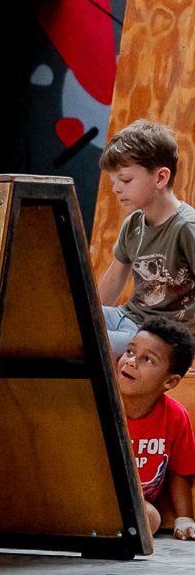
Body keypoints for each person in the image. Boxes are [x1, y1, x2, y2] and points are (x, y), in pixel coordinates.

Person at [97, 120, 195, 357]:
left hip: (161, 337)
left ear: (160, 178)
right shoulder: (133, 223)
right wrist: (85, 315)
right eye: (113, 181)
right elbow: (112, 282)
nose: (116, 189)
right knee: (67, 323)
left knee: (89, 343)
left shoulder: (187, 227)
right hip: (128, 318)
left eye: (125, 180)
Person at [116, 316, 195, 538]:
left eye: (148, 359)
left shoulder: (175, 416)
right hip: (93, 496)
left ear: (170, 381)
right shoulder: (98, 404)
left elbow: (180, 472)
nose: (131, 362)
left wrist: (184, 518)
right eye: (130, 352)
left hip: (135, 505)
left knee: (150, 517)